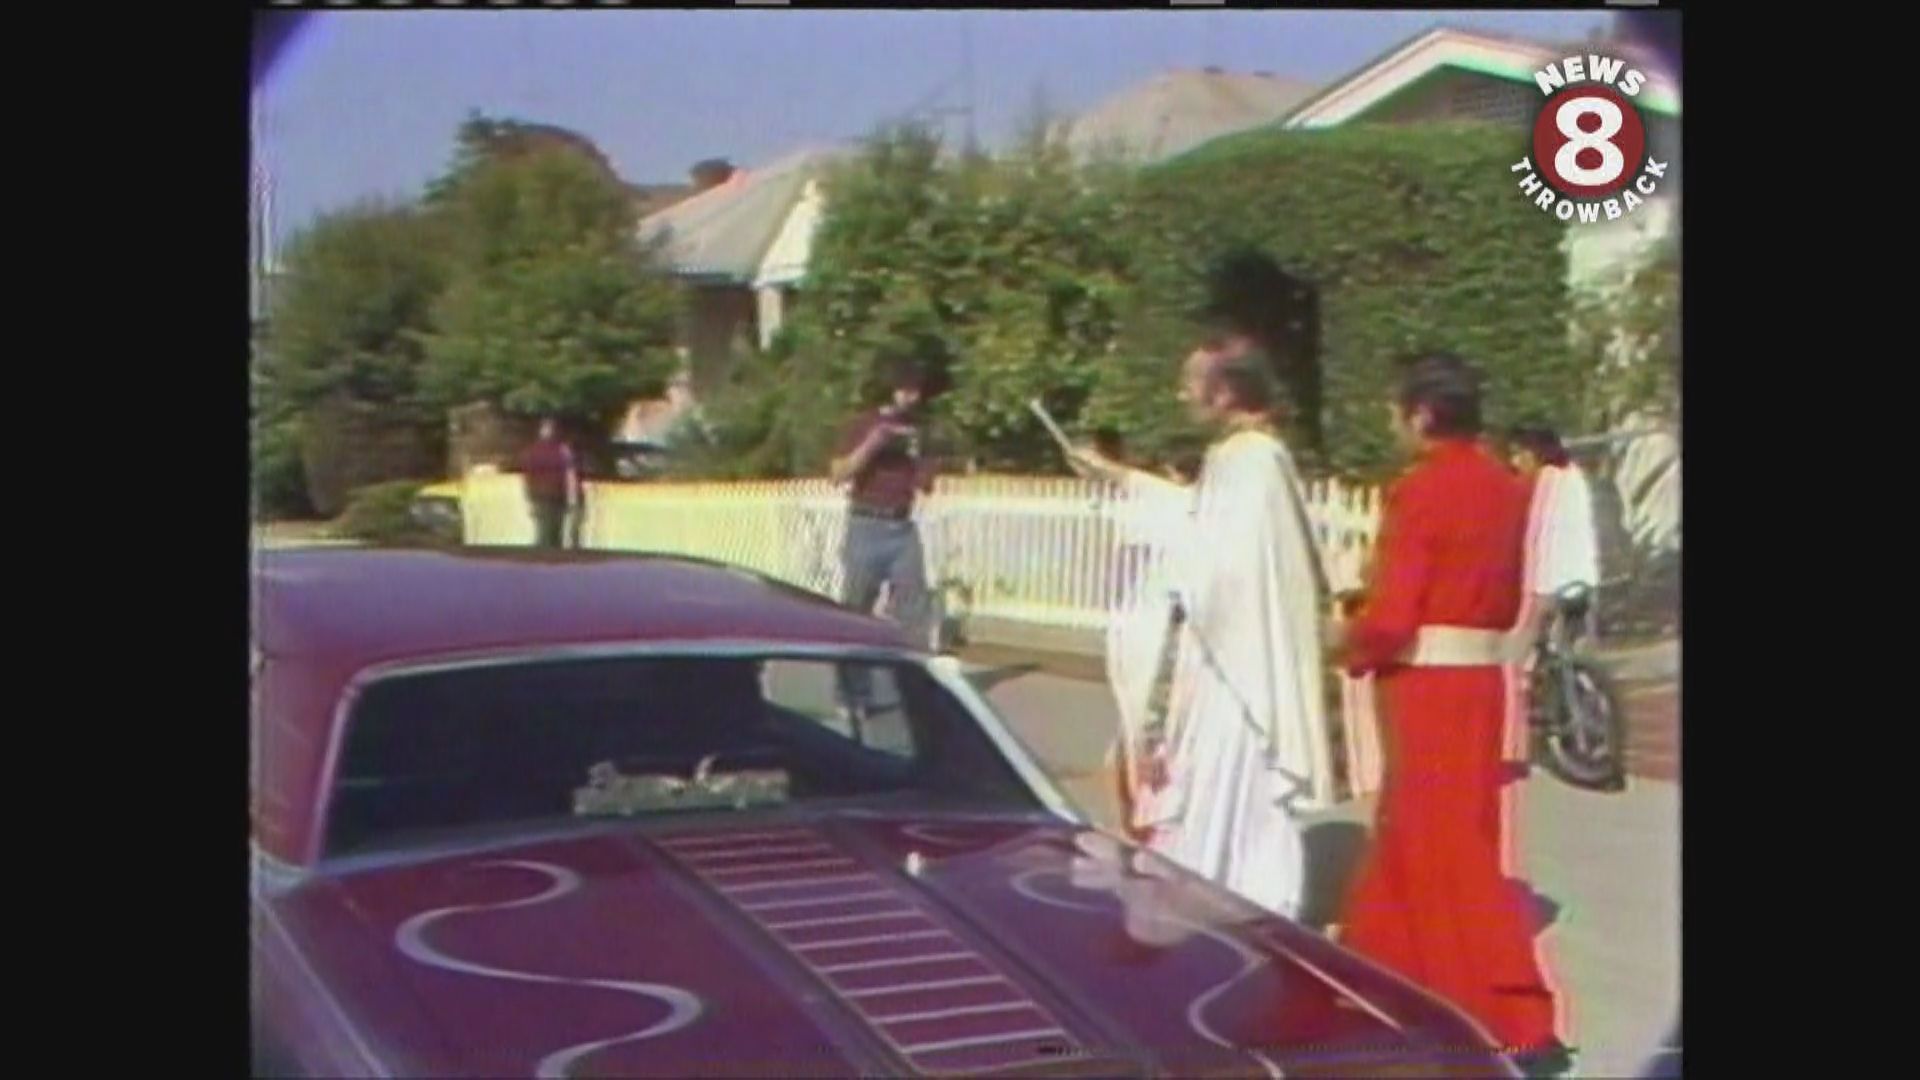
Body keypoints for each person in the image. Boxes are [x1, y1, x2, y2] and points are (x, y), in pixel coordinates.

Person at [1327, 354, 1570, 1077]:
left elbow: (1397, 610)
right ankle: (1390, 974)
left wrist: (1351, 642)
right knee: (1423, 833)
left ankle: (1518, 1016)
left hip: (1426, 686)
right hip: (1478, 681)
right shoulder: (1506, 486)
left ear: (1423, 415)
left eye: (1397, 409)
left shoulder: (1421, 489)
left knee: (1446, 847)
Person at [1069, 336, 1329, 919]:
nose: (1180, 392)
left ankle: (1225, 910)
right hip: (1225, 660)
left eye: (1192, 381)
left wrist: (1168, 580)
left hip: (1234, 673)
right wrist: (1120, 477)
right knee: (1211, 800)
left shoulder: (1249, 460)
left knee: (1220, 800)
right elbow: (1195, 524)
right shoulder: (1245, 458)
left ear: (1227, 390)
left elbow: (1213, 570)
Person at [829, 359, 941, 710]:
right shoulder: (864, 424)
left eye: (916, 392)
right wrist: (874, 443)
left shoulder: (918, 430)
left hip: (901, 525)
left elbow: (926, 482)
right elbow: (838, 473)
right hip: (866, 524)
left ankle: (914, 689)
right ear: (891, 390)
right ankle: (853, 694)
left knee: (913, 605)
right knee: (855, 610)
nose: (911, 398)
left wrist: (926, 466)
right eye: (905, 390)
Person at [1504, 425, 1602, 771]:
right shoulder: (1574, 476)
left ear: (1533, 454)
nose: (1515, 462)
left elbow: (1526, 536)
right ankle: (1577, 701)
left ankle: (1511, 748)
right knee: (1568, 651)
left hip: (1547, 585)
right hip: (1583, 581)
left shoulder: (1538, 484)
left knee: (1511, 662)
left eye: (1518, 454)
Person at [518, 417, 579, 550]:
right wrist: (573, 497)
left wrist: (528, 497)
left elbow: (526, 476)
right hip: (555, 495)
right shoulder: (562, 450)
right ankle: (552, 558)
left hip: (541, 495)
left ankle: (541, 556)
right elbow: (570, 474)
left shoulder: (532, 451)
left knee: (543, 529)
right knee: (555, 531)